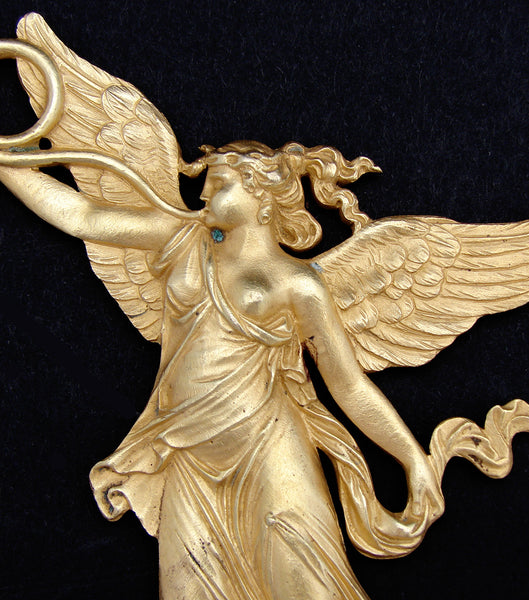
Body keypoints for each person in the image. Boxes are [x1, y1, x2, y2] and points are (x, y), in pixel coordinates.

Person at [0, 140, 445, 599]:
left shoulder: (298, 284)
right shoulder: (179, 237)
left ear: (262, 199)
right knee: (188, 587)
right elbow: (84, 216)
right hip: (185, 446)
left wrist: (411, 457)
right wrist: (5, 165)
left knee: (304, 584)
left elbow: (349, 385)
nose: (203, 194)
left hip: (270, 447)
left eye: (220, 185)